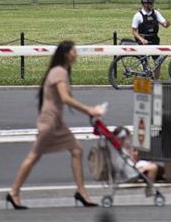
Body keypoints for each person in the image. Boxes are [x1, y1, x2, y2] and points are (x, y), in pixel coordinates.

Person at [7, 41, 105, 210]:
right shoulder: (59, 72)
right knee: (34, 155)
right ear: (67, 54)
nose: (77, 54)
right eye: (74, 51)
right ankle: (14, 192)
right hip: (50, 123)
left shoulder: (60, 71)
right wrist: (89, 110)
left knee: (77, 150)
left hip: (56, 122)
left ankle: (81, 192)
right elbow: (65, 98)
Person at [110, 126, 160, 197]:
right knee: (153, 167)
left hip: (128, 169)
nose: (127, 140)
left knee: (150, 164)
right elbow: (131, 162)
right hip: (130, 173)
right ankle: (149, 189)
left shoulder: (116, 149)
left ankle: (149, 187)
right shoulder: (121, 150)